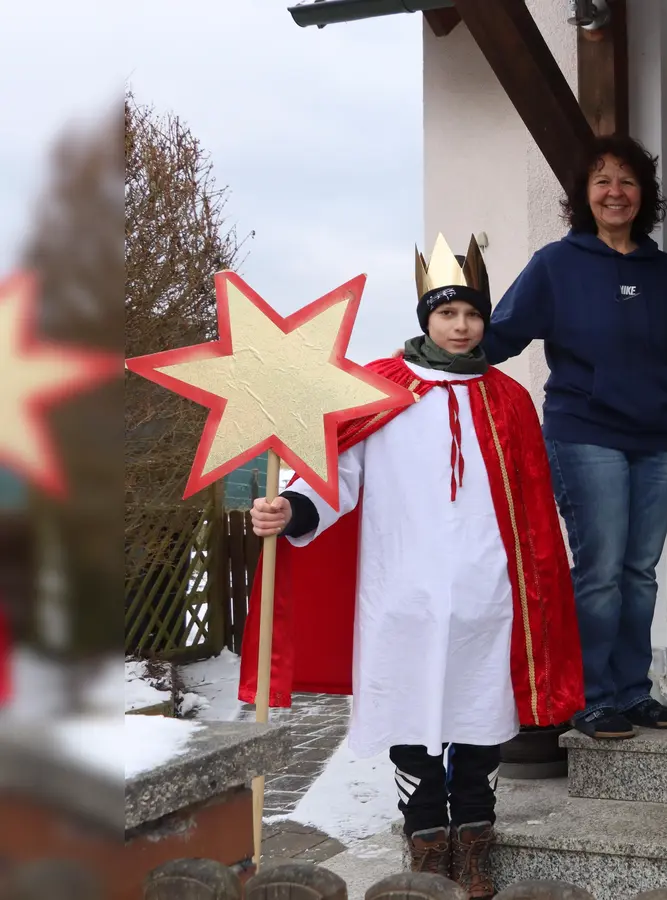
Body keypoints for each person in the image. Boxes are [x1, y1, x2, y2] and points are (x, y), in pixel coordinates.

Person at [242, 235, 583, 897]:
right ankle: (427, 841)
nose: (461, 327)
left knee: (482, 715)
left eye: (472, 315)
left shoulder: (507, 399)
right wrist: (291, 508)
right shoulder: (381, 388)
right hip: (399, 591)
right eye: (447, 313)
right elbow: (337, 472)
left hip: (485, 591)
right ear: (425, 317)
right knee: (411, 719)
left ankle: (476, 839)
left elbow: (533, 511)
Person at [480, 135, 667, 742]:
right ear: (584, 195)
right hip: (587, 434)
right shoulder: (557, 264)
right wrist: (442, 352)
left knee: (640, 571)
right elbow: (501, 334)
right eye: (603, 181)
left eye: (628, 181)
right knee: (601, 570)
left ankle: (633, 691)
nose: (616, 192)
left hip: (660, 438)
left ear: (645, 195)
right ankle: (592, 697)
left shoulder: (663, 272)